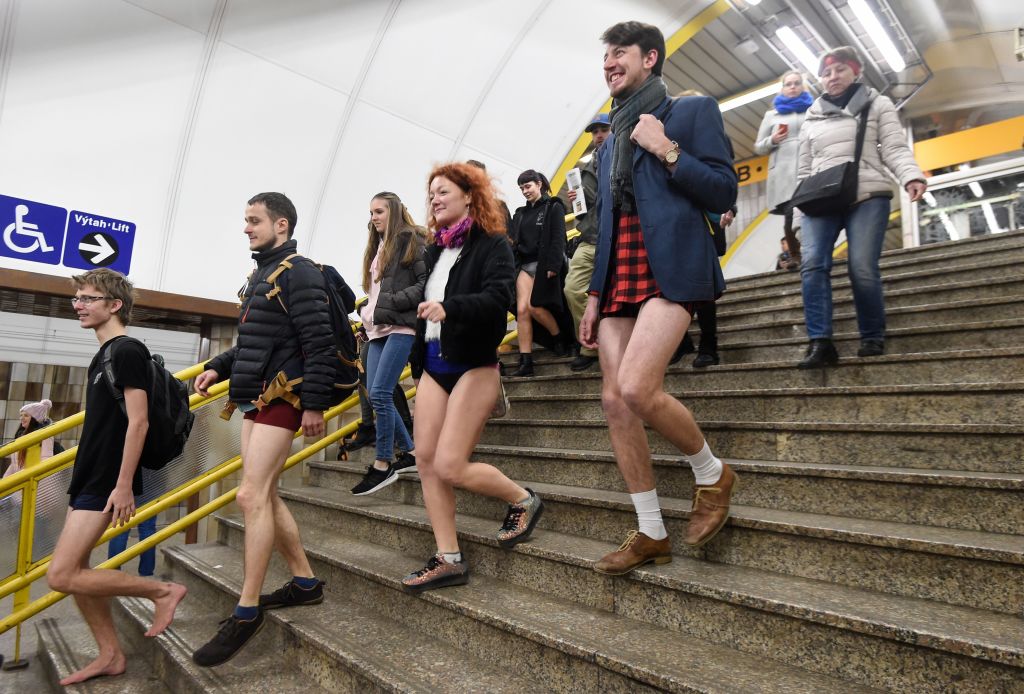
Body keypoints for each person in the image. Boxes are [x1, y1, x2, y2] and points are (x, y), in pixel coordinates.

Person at [579, 21, 739, 575]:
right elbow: (606, 223)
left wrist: (667, 150)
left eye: (619, 53)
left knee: (637, 387)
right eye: (605, 55)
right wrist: (595, 296)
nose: (609, 63)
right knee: (613, 401)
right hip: (618, 273)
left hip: (669, 267)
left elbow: (722, 190)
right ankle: (651, 530)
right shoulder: (606, 144)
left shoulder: (690, 113)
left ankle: (712, 473)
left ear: (650, 58)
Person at [192, 192, 334, 666]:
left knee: (250, 496)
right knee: (266, 495)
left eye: (254, 221)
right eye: (246, 220)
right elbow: (255, 343)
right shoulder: (262, 275)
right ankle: (305, 582)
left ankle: (247, 609)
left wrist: (314, 405)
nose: (246, 228)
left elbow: (320, 342)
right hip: (257, 396)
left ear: (282, 225)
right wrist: (218, 365)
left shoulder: (301, 272)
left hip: (286, 397)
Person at [401, 162, 543, 592]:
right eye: (431, 195)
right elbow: (421, 303)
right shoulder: (432, 251)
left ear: (469, 195)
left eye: (443, 191)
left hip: (474, 364)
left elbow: (499, 297)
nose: (435, 199)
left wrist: (452, 307)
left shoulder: (493, 244)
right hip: (433, 364)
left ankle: (524, 499)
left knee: (449, 464)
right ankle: (449, 558)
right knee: (425, 461)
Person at [45, 269, 187, 687]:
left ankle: (160, 592)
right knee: (79, 570)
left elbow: (139, 423)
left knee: (61, 575)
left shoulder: (126, 350)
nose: (79, 305)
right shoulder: (104, 353)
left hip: (106, 479)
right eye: (77, 299)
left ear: (114, 305)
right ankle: (109, 654)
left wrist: (123, 485)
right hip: (90, 475)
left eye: (88, 298)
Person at [796, 46, 927, 368]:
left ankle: (871, 335)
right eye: (826, 73)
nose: (832, 77)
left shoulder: (876, 103)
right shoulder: (811, 117)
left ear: (856, 71)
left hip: (867, 193)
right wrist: (798, 219)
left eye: (839, 69)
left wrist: (911, 175)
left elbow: (894, 147)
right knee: (812, 265)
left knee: (861, 266)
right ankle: (820, 342)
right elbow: (803, 171)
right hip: (821, 198)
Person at [349, 192, 428, 495]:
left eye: (379, 211)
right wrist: (368, 316)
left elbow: (425, 284)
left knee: (381, 393)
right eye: (371, 213)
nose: (373, 218)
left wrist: (392, 301)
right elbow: (374, 291)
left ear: (393, 211)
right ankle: (411, 452)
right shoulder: (378, 246)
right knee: (374, 392)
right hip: (377, 328)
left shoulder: (412, 239)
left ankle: (383, 463)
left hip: (402, 326)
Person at [507, 169, 572, 377]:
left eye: (528, 186)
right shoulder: (520, 213)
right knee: (522, 311)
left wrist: (553, 265)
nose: (525, 191)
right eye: (521, 188)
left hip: (544, 265)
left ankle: (559, 337)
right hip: (525, 266)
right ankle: (526, 361)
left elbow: (558, 237)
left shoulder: (554, 206)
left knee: (535, 307)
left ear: (539, 184)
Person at [565, 114, 611, 372]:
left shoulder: (622, 158)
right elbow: (585, 210)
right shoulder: (586, 170)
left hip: (618, 237)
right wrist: (576, 201)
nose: (599, 136)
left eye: (603, 130)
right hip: (590, 236)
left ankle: (615, 342)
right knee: (572, 289)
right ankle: (590, 343)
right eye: (595, 132)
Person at [755, 70, 814, 270]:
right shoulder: (771, 115)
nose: (792, 87)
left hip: (810, 167)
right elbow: (758, 146)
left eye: (797, 83)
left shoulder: (814, 110)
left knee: (814, 210)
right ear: (782, 88)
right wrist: (772, 140)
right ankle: (796, 256)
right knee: (791, 213)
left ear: (803, 86)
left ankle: (814, 252)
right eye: (788, 84)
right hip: (783, 172)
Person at [4, 400, 56, 478]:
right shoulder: (20, 435)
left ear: (35, 419)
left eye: (26, 415)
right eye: (21, 415)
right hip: (21, 482)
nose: (22, 418)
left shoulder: (45, 435)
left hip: (34, 483)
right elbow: (15, 464)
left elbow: (46, 459)